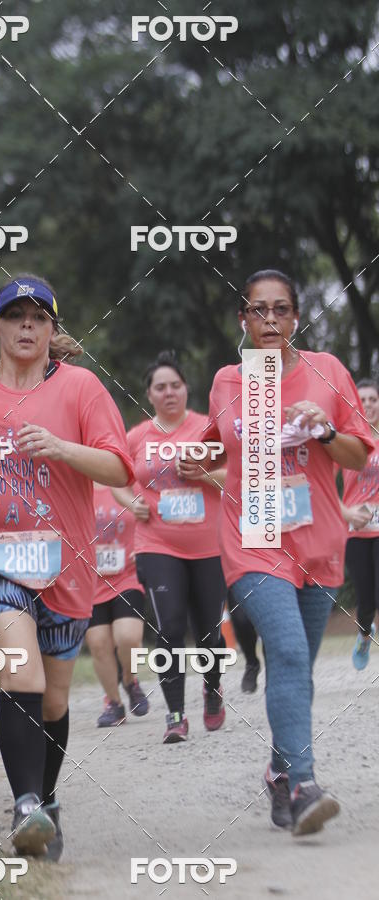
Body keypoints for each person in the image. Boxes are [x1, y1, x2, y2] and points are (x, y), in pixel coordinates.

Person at [0, 274, 134, 861]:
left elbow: (120, 470)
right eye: (14, 316)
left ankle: (46, 801)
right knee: (22, 674)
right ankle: (24, 806)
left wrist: (63, 448)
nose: (25, 326)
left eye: (37, 318)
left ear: (51, 330)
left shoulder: (82, 389)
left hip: (66, 561)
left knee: (54, 699)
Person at [184, 269, 373, 835]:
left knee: (297, 668)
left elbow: (358, 456)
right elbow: (213, 444)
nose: (270, 320)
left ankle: (277, 771)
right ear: (242, 319)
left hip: (318, 542)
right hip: (254, 536)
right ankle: (306, 784)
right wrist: (197, 463)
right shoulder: (227, 381)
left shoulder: (328, 372)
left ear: (295, 317)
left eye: (281, 309)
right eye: (257, 310)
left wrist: (320, 432)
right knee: (287, 651)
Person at [112, 350, 228, 744]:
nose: (168, 393)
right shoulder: (137, 436)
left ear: (186, 389)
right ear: (149, 394)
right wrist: (131, 502)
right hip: (157, 542)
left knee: (209, 632)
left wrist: (204, 474)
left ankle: (212, 688)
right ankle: (175, 716)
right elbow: (115, 476)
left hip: (210, 543)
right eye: (160, 387)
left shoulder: (208, 428)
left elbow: (239, 475)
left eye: (175, 385)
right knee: (170, 627)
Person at [85, 482, 149, 727]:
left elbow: (151, 514)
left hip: (127, 574)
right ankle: (114, 704)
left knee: (128, 637)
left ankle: (129, 680)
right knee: (99, 643)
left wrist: (146, 545)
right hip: (90, 579)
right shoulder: (78, 483)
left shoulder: (131, 481)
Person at [340, 379, 379, 669]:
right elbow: (323, 482)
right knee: (366, 600)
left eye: (373, 399)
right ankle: (365, 634)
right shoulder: (346, 440)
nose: (368, 405)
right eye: (362, 400)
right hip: (355, 529)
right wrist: (344, 512)